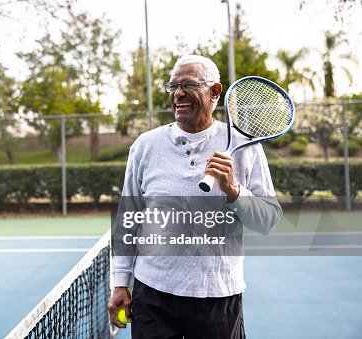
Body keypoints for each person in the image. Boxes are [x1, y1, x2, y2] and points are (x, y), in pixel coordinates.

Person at [108, 54, 282, 338]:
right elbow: (128, 219)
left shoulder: (246, 148)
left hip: (217, 295)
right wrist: (119, 282)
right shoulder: (145, 146)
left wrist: (233, 191)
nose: (178, 93)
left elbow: (268, 221)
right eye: (173, 86)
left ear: (215, 92)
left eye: (188, 84)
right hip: (152, 295)